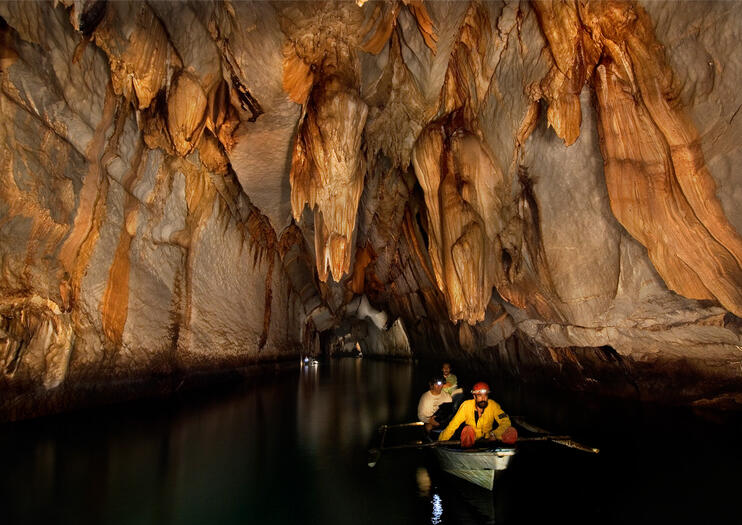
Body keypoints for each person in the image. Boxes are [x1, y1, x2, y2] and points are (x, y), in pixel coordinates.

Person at [438, 381, 517, 447]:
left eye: (485, 395)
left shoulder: (493, 405)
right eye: (479, 395)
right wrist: (441, 441)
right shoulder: (466, 406)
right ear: (474, 397)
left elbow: (505, 421)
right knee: (468, 430)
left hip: (488, 439)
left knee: (511, 431)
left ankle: (504, 453)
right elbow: (453, 425)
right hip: (471, 440)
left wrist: (494, 434)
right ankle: (469, 451)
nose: (483, 398)